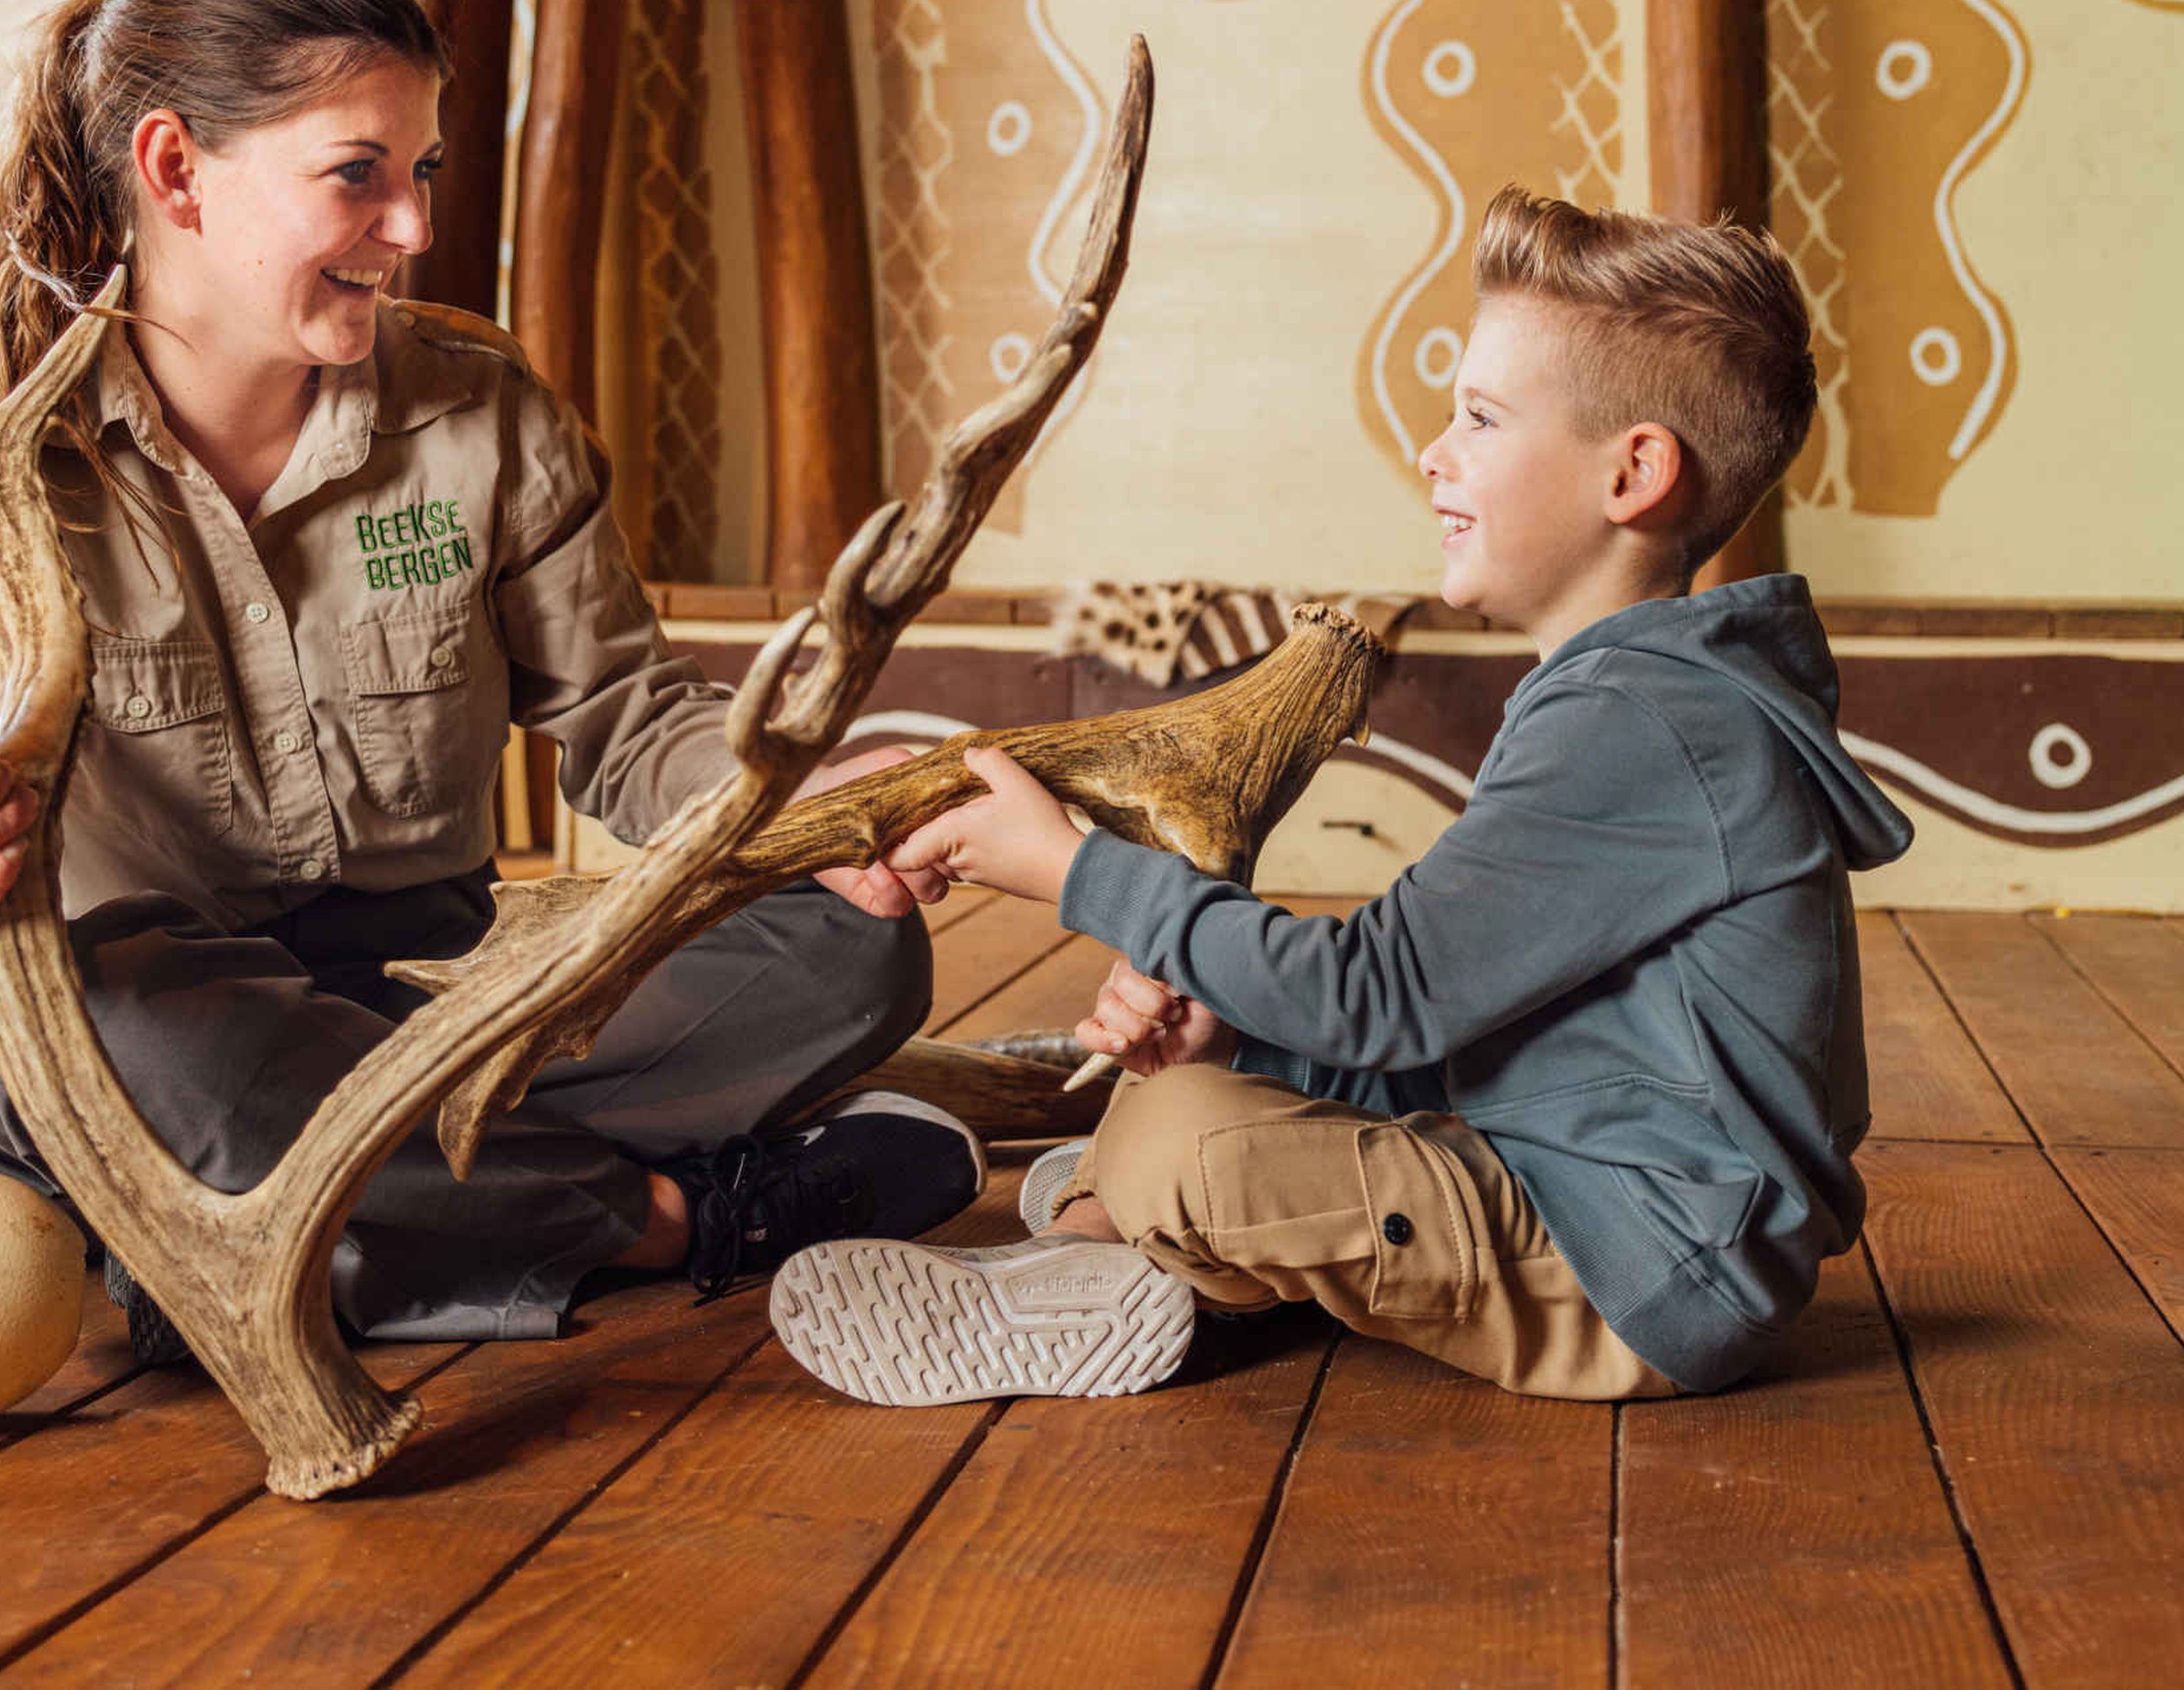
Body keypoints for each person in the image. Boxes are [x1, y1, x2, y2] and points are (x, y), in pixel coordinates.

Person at [0, 0, 978, 1360]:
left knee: (851, 947)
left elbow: (631, 724)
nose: (416, 228)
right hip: (149, 1026)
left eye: (420, 172)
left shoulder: (483, 410)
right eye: (357, 175)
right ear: (175, 170)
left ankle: (245, 1255)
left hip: (436, 998)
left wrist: (798, 812)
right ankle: (670, 1221)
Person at [764, 187, 1913, 1406]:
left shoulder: (1645, 722)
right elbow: (1478, 1025)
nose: (1434, 451)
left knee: (1175, 1142)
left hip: (1642, 1274)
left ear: (1633, 472)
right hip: (1586, 1187)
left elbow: (1384, 996)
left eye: (1480, 418)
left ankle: (1121, 1251)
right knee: (1185, 1087)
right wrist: (1234, 1037)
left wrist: (1070, 868)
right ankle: (1127, 1250)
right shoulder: (1646, 698)